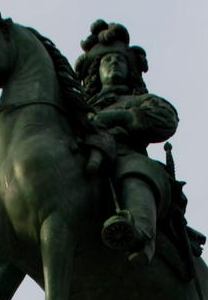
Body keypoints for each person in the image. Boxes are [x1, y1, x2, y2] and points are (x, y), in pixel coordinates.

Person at [76, 20, 179, 264]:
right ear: (96, 71)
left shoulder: (141, 100)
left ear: (130, 69)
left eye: (119, 60)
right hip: (81, 158)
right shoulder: (79, 107)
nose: (113, 63)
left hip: (125, 155)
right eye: (107, 61)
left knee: (135, 169)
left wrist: (120, 116)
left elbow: (166, 119)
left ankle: (140, 233)